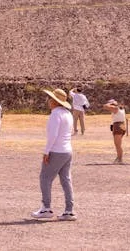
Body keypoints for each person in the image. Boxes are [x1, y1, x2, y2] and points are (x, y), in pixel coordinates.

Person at [30, 88, 76, 221]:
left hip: (56, 150)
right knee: (66, 180)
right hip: (67, 150)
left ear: (55, 101)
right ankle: (69, 210)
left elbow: (53, 135)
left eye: (50, 99)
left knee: (45, 178)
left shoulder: (55, 114)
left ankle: (46, 208)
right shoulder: (68, 114)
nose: (48, 101)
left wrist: (46, 151)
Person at [103, 99, 128, 163]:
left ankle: (120, 159)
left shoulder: (116, 108)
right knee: (118, 144)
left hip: (118, 126)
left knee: (118, 145)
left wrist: (111, 104)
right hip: (121, 125)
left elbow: (105, 106)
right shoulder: (121, 109)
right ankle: (118, 157)